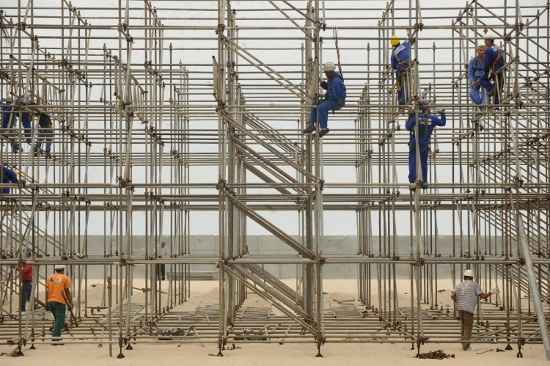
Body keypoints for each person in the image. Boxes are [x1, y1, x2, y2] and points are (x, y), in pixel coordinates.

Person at [406, 100, 446, 189]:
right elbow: (443, 123)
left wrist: (410, 116)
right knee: (423, 162)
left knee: (413, 160)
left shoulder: (415, 118)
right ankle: (424, 181)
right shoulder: (432, 118)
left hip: (415, 142)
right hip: (424, 143)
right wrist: (442, 114)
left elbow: (408, 127)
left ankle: (413, 180)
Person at [302, 62, 346, 138]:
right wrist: (326, 86)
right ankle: (312, 125)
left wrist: (326, 95)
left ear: (331, 72)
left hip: (337, 101)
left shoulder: (336, 81)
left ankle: (324, 128)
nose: (326, 74)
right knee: (315, 105)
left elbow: (336, 94)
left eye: (326, 73)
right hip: (331, 99)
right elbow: (331, 89)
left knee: (321, 107)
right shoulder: (331, 79)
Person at [451, 269, 492, 350]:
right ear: (472, 277)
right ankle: (466, 346)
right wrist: (490, 293)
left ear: (464, 277)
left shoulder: (459, 285)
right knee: (468, 328)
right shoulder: (474, 285)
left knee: (463, 327)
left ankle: (463, 344)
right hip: (468, 310)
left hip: (460, 309)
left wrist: (458, 302)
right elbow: (483, 296)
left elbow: (452, 295)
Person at [46, 264, 72, 344]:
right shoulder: (65, 278)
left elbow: (47, 291)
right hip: (60, 301)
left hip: (50, 300)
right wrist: (70, 302)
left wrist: (46, 302)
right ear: (63, 270)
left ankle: (57, 336)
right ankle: (55, 337)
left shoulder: (50, 278)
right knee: (60, 320)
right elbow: (67, 291)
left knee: (57, 320)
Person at [483, 35, 505, 105]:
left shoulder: (489, 49)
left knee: (497, 84)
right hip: (499, 69)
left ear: (489, 41)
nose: (485, 42)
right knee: (499, 85)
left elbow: (487, 62)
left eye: (486, 41)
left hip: (495, 69)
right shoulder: (496, 48)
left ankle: (491, 94)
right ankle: (496, 103)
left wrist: (485, 72)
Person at [390, 35, 412, 105]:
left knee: (400, 85)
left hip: (400, 68)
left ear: (392, 44)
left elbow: (393, 66)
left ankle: (402, 101)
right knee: (408, 83)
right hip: (409, 66)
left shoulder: (394, 52)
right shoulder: (405, 45)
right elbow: (410, 42)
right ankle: (408, 98)